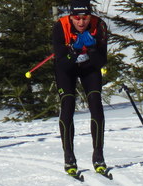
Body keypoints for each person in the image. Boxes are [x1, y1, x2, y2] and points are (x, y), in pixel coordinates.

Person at [52, 0, 109, 177]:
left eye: (85, 18)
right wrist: (74, 51)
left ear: (90, 17)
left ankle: (98, 155)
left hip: (89, 67)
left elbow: (101, 62)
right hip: (67, 69)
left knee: (95, 103)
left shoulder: (99, 26)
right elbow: (62, 63)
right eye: (77, 18)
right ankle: (69, 156)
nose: (81, 22)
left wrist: (91, 49)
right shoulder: (60, 27)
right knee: (68, 103)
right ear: (71, 17)